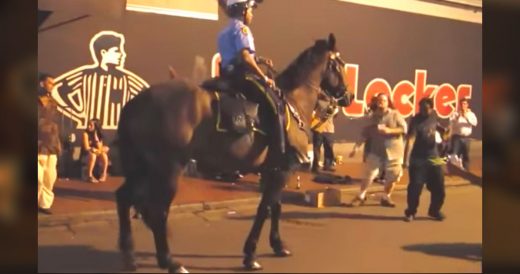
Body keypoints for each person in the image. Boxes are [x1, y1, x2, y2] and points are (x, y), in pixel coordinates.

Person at [217, 0, 286, 156]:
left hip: (227, 76)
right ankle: (279, 152)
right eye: (250, 10)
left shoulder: (224, 31)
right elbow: (245, 58)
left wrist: (260, 60)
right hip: (242, 77)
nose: (252, 14)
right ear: (243, 11)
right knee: (276, 104)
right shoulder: (242, 29)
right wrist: (264, 78)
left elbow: (235, 55)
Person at [50, 31, 149, 130]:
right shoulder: (85, 75)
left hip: (116, 131)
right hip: (90, 131)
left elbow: (148, 96)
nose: (122, 54)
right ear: (103, 52)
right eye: (117, 51)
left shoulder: (126, 79)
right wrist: (79, 114)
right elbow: (58, 89)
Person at [348, 93, 407, 207]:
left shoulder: (395, 114)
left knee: (393, 175)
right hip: (376, 150)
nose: (381, 102)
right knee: (369, 174)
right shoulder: (371, 117)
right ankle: (361, 195)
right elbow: (364, 134)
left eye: (384, 100)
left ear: (388, 102)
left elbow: (404, 129)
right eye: (379, 100)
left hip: (394, 151)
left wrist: (390, 131)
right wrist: (355, 148)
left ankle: (386, 197)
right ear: (376, 102)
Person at [403, 97, 447, 222]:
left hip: (435, 158)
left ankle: (434, 211)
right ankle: (411, 212)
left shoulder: (434, 116)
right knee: (415, 187)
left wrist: (444, 132)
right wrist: (405, 159)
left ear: (431, 108)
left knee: (440, 187)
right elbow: (410, 140)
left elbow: (438, 126)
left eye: (426, 108)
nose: (423, 111)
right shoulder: (416, 120)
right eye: (421, 108)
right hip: (418, 159)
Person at [38, 97, 61, 215]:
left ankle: (44, 204)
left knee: (49, 178)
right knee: (38, 178)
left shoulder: (53, 122)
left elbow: (55, 135)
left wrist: (57, 147)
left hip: (50, 150)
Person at [311, 94, 339, 172]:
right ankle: (315, 166)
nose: (327, 95)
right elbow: (312, 111)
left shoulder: (333, 103)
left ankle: (328, 165)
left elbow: (336, 115)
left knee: (329, 148)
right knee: (317, 148)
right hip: (318, 128)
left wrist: (335, 108)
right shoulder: (318, 101)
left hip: (329, 129)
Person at [448, 97, 478, 170]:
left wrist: (466, 117)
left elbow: (475, 123)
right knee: (454, 155)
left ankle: (466, 169)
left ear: (467, 105)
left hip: (466, 138)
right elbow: (451, 124)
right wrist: (457, 118)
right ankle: (452, 169)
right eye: (461, 104)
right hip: (456, 137)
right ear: (459, 105)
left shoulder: (471, 114)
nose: (463, 105)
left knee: (465, 154)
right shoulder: (455, 113)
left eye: (464, 104)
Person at [82, 119, 110, 183]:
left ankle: (104, 174)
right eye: (88, 124)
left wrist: (96, 138)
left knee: (104, 155)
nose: (88, 126)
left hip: (97, 154)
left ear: (96, 127)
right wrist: (95, 150)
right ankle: (89, 176)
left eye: (91, 125)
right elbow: (86, 148)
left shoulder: (99, 134)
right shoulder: (85, 134)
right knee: (93, 155)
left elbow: (100, 148)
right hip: (86, 156)